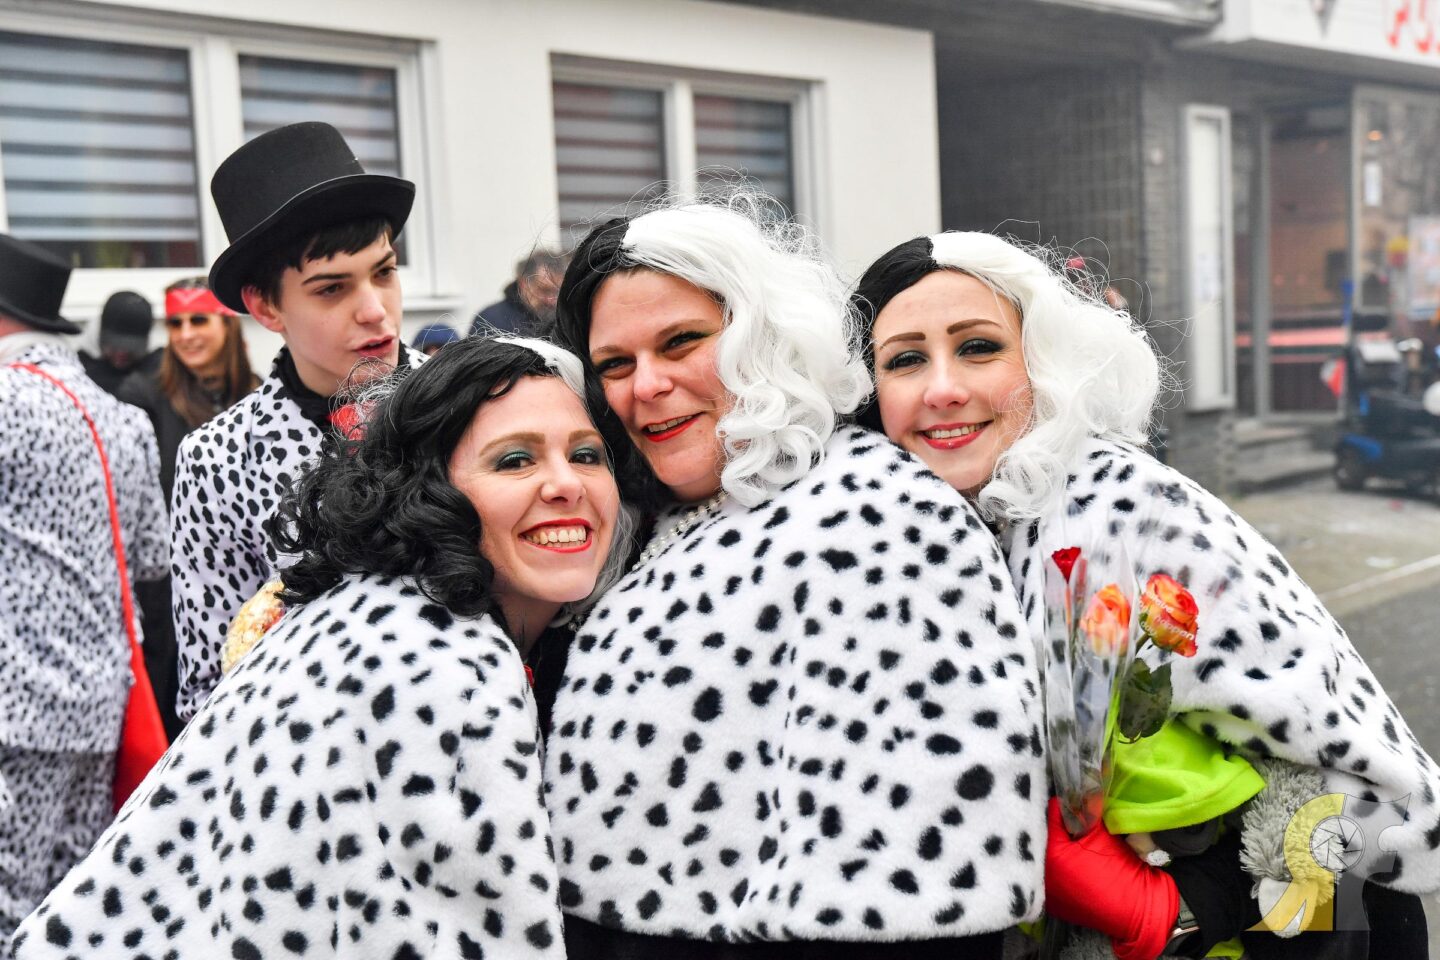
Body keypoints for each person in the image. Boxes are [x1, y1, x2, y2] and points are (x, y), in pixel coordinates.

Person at [852, 232, 1440, 959]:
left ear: (1042, 361)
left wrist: (1183, 908)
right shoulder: (869, 545)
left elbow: (1386, 800)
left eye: (978, 347)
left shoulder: (1135, 512)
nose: (942, 388)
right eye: (905, 359)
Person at [12, 336, 628, 960]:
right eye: (515, 460)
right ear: (429, 487)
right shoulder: (438, 666)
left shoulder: (386, 609)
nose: (565, 484)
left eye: (586, 454)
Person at [546, 199, 1046, 959]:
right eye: (615, 364)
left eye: (681, 342)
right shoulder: (641, 517)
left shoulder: (876, 520)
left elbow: (919, 895)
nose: (645, 385)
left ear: (763, 334)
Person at [171, 121, 423, 724]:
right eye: (332, 289)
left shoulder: (473, 402)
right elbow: (209, 685)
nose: (375, 311)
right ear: (265, 306)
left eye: (384, 272)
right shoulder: (218, 458)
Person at [0, 234, 167, 940]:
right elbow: (151, 559)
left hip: (14, 704)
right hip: (101, 703)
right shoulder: (122, 418)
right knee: (73, 911)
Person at [117, 277, 259, 740]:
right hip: (171, 587)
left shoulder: (258, 395)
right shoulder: (143, 396)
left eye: (198, 320)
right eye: (175, 324)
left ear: (226, 324)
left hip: (249, 576)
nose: (185, 334)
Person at [470, 248, 568, 336]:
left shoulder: (566, 320)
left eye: (558, 292)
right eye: (544, 290)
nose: (552, 300)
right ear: (523, 284)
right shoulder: (489, 321)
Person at [80, 290, 161, 396]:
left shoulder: (158, 369)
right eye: (113, 346)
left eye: (132, 348)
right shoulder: (80, 367)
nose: (121, 353)